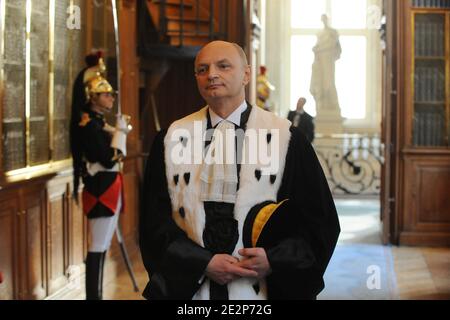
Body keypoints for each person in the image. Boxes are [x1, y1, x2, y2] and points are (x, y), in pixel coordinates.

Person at [139, 40, 340, 300]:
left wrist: (273, 260)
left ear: (246, 74)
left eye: (223, 66)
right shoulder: (170, 138)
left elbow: (319, 221)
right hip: (193, 292)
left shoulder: (286, 138)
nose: (211, 74)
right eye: (202, 69)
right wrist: (201, 263)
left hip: (262, 291)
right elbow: (153, 223)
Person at [70, 53, 128, 300]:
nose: (111, 97)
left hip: (108, 185)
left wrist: (116, 130)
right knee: (97, 246)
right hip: (101, 188)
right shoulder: (90, 126)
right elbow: (108, 158)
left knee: (102, 246)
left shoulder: (98, 123)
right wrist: (121, 133)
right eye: (106, 94)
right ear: (93, 98)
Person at [310, 14, 341, 114]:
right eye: (322, 19)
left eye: (325, 19)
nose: (324, 21)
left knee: (329, 83)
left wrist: (319, 49)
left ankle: (333, 105)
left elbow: (334, 45)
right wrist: (316, 49)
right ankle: (322, 106)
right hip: (320, 60)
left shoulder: (333, 32)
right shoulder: (319, 33)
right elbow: (317, 46)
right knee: (320, 83)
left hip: (328, 59)